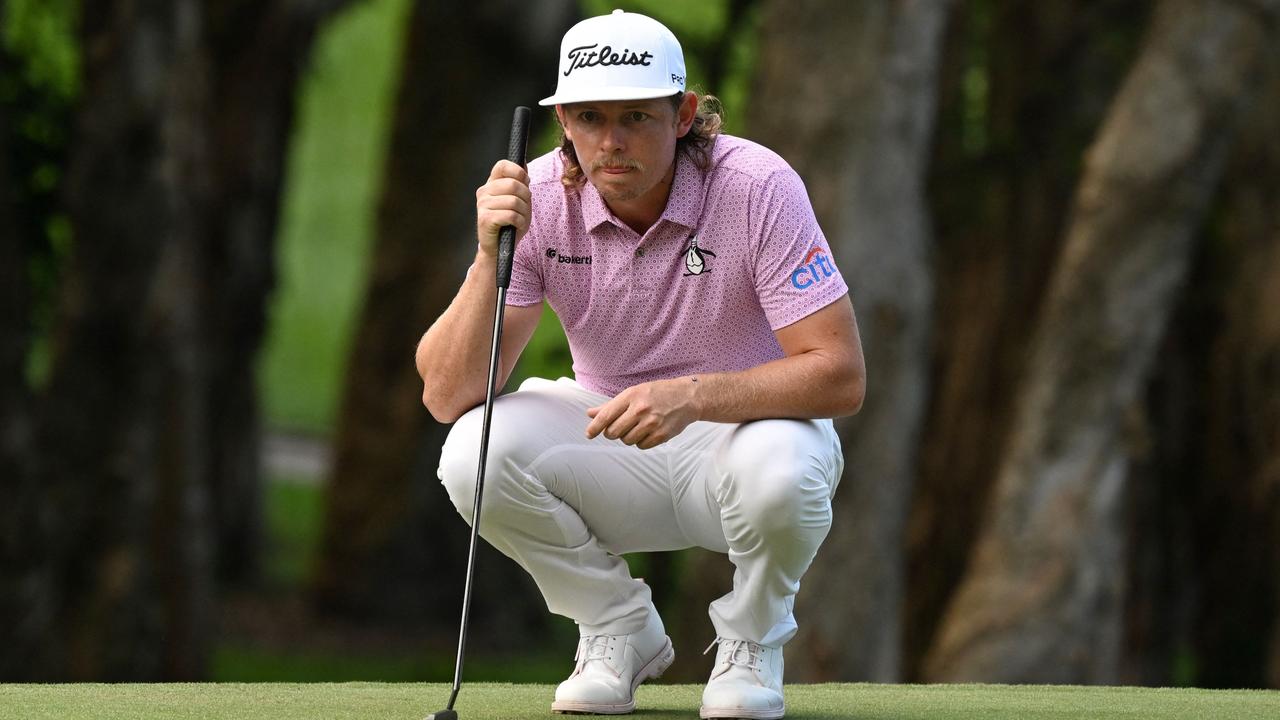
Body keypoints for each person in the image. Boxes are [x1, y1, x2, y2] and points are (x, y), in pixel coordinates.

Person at [415, 9, 864, 719]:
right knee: (471, 451)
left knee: (786, 469)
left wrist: (691, 396)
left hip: (741, 442)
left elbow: (839, 373)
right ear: (562, 118)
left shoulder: (757, 186)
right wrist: (485, 256)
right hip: (608, 440)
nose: (611, 143)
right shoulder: (536, 199)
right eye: (590, 117)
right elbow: (447, 394)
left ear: (684, 114)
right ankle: (617, 628)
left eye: (637, 117)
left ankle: (752, 644)